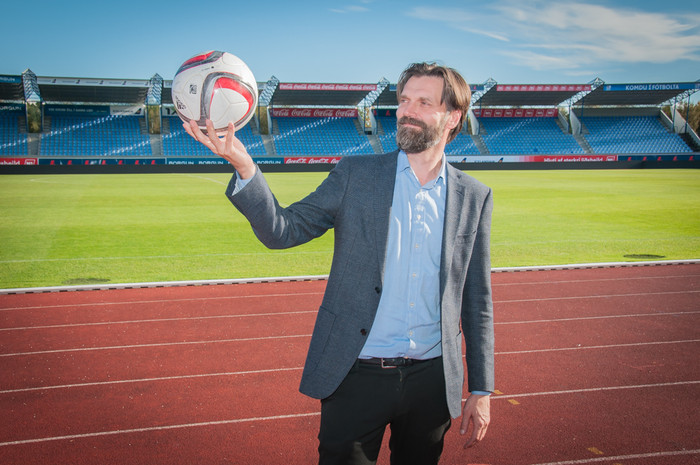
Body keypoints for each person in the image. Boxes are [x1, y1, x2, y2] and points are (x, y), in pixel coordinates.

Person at [184, 62, 494, 465]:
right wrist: (245, 166)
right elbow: (283, 230)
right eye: (403, 100)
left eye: (423, 102)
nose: (407, 110)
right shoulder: (356, 175)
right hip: (355, 372)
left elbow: (476, 300)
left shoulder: (474, 196)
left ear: (452, 117)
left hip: (433, 381)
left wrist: (481, 389)